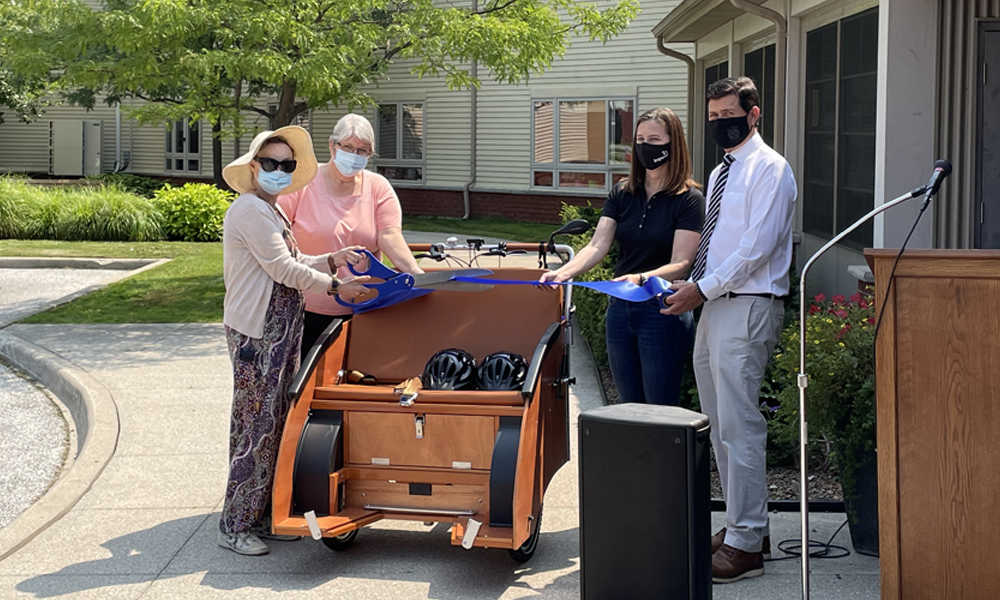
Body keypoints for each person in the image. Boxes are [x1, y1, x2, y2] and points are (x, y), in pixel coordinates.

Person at [662, 76, 796, 583]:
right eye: (714, 117)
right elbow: (716, 244)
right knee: (718, 421)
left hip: (748, 303)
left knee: (740, 424)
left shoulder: (771, 169)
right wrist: (688, 285)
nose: (721, 123)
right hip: (715, 301)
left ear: (754, 113)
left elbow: (756, 248)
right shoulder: (720, 172)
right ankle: (746, 527)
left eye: (730, 115)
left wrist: (704, 288)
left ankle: (746, 545)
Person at [219, 125, 369, 556]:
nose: (280, 171)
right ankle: (235, 525)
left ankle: (259, 516)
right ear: (253, 167)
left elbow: (294, 259)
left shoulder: (271, 210)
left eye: (287, 165)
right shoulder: (249, 209)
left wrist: (330, 259)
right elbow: (283, 270)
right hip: (258, 334)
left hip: (279, 331)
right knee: (255, 427)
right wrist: (336, 286)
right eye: (271, 163)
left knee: (274, 423)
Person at [539, 107, 704, 405]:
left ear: (673, 144)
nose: (645, 147)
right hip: (620, 310)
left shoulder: (689, 200)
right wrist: (563, 273)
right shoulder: (622, 192)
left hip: (662, 312)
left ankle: (663, 454)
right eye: (639, 139)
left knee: (659, 408)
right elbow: (596, 245)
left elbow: (681, 264)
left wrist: (641, 278)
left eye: (654, 139)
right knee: (627, 407)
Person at [278, 113, 424, 358]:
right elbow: (279, 241)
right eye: (348, 147)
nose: (354, 156)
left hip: (364, 309)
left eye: (363, 151)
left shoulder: (378, 187)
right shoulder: (301, 185)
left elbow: (389, 235)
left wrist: (414, 273)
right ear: (332, 146)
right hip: (307, 311)